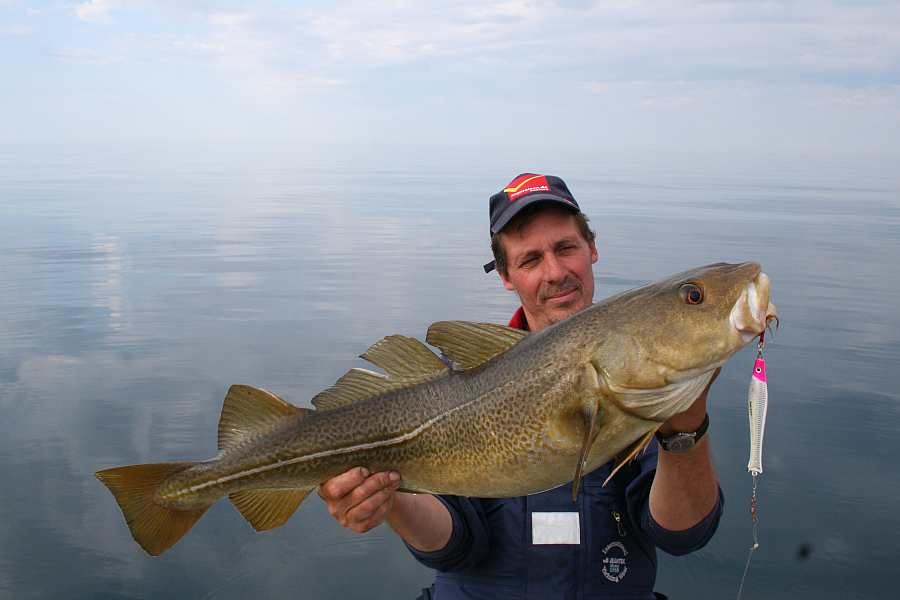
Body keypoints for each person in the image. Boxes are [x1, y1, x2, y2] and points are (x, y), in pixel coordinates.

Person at [318, 173, 724, 599]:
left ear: (592, 249)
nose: (555, 272)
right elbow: (455, 545)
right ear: (507, 277)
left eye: (566, 248)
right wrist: (389, 500)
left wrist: (685, 430)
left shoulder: (640, 371)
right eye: (530, 260)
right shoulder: (453, 389)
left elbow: (681, 534)